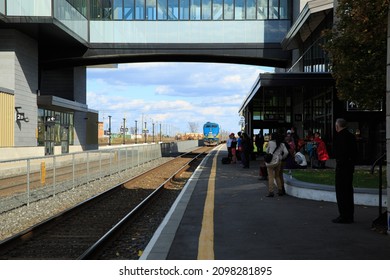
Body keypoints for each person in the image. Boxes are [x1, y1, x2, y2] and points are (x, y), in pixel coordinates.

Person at [332, 118, 358, 224]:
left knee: (341, 191)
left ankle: (343, 215)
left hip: (342, 167)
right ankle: (349, 215)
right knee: (348, 191)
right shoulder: (351, 136)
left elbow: (337, 153)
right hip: (349, 166)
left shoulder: (339, 137)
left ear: (337, 127)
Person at [264, 132, 288, 197]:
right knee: (277, 176)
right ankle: (280, 190)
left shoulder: (270, 143)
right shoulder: (282, 144)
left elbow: (266, 151)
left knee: (271, 176)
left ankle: (271, 192)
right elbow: (286, 152)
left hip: (271, 162)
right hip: (278, 161)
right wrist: (282, 157)